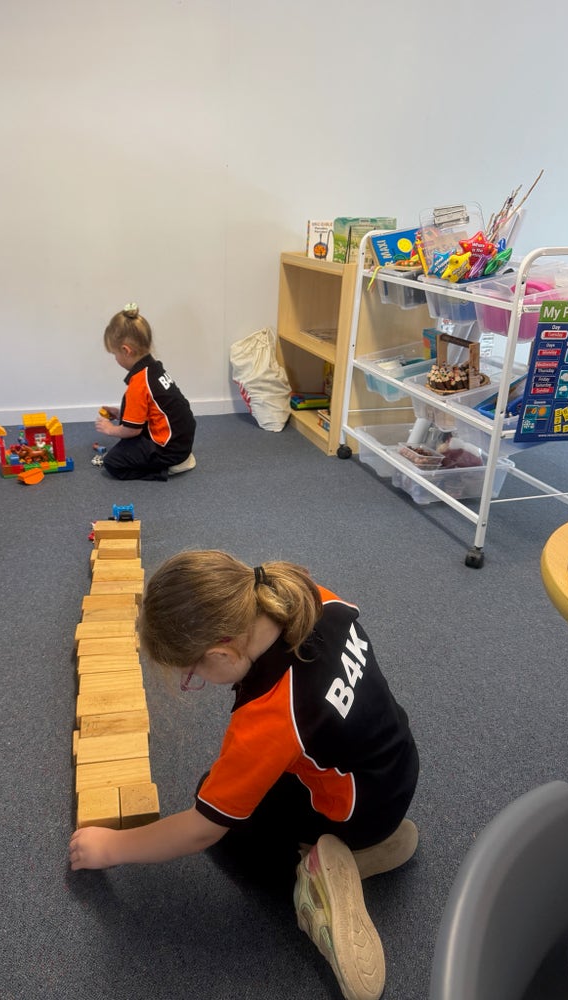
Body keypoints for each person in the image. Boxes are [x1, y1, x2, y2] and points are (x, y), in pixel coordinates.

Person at [69, 551, 419, 1000]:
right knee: (241, 784)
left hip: (356, 810)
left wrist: (112, 847)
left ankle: (314, 880)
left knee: (222, 815)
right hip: (397, 768)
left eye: (192, 673)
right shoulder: (313, 599)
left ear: (222, 651)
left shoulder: (268, 719)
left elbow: (200, 832)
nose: (191, 679)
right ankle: (364, 850)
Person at [94, 303, 196, 481]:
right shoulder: (153, 369)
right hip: (181, 440)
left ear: (126, 351)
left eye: (114, 354)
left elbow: (132, 431)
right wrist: (120, 413)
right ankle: (177, 458)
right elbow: (152, 407)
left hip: (170, 449)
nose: (115, 359)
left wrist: (111, 430)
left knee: (113, 463)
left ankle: (168, 468)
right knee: (128, 440)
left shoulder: (139, 383)